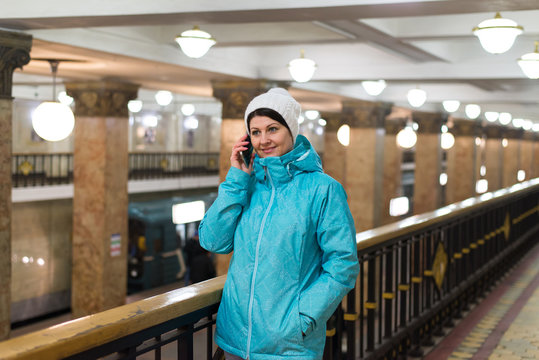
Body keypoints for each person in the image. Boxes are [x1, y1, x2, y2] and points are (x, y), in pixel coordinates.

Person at [199, 88, 359, 360]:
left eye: (273, 129)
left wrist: (303, 319)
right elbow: (213, 241)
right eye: (255, 131)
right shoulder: (246, 186)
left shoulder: (323, 189)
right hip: (235, 341)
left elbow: (342, 263)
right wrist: (237, 179)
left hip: (289, 348)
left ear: (291, 131)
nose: (263, 140)